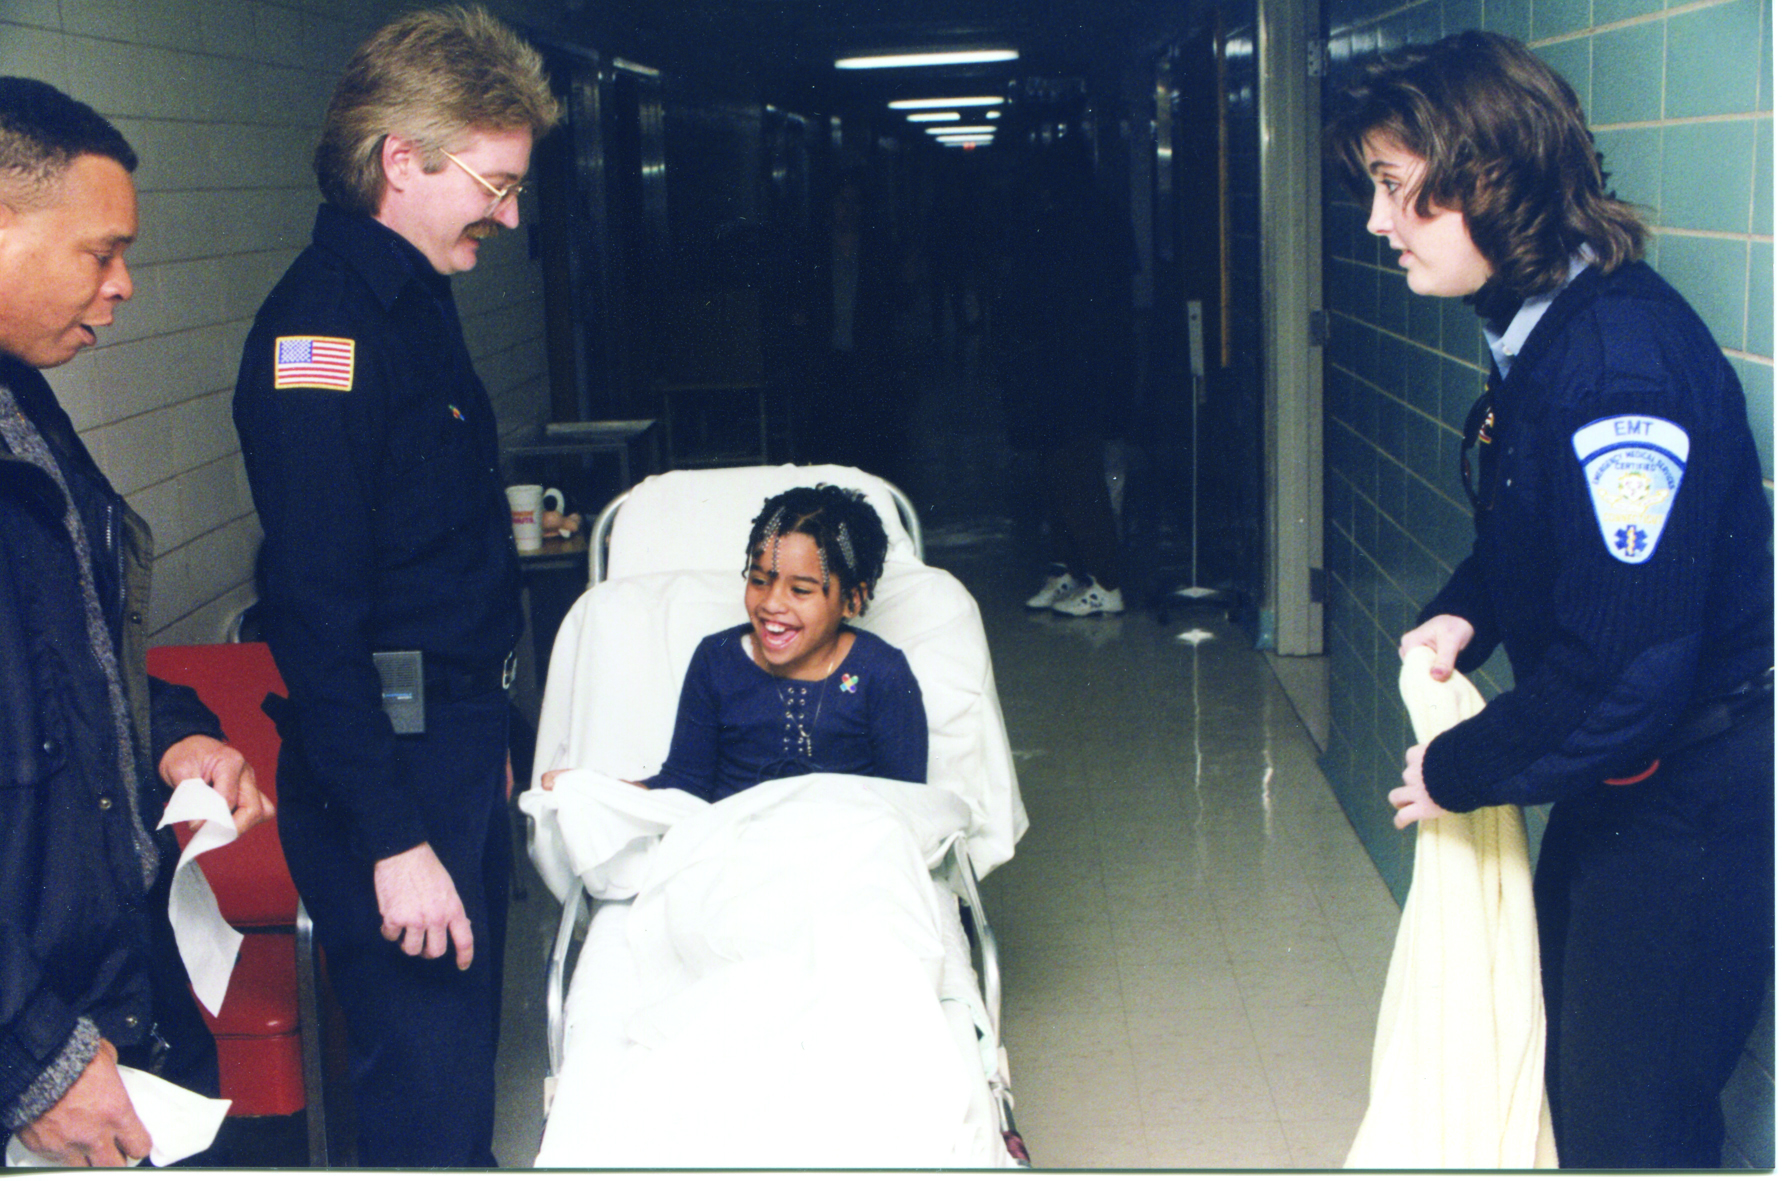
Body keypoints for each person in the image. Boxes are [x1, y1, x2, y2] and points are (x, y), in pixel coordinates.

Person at [1327, 31, 1773, 1169]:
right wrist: (1467, 609)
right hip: (1625, 784)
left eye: (1392, 188)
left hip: (1690, 800)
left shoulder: (1619, 370)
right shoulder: (1544, 323)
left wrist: (1457, 772)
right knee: (1575, 1089)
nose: (1378, 224)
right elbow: (1547, 543)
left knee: (1633, 1128)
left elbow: (1627, 674)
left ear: (1483, 176)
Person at [230, 6, 558, 1167]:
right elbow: (316, 612)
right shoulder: (322, 335)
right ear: (403, 159)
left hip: (449, 740)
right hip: (391, 774)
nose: (512, 214)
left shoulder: (419, 304)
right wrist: (394, 837)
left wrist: (489, 732)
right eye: (497, 181)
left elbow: (435, 561)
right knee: (422, 1108)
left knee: (455, 1080)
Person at [0, 77, 269, 1166]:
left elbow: (62, 652)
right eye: (99, 252)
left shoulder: (26, 401)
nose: (125, 287)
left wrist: (172, 730)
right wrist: (32, 1058)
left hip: (99, 993)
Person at [544, 485, 928, 800]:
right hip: (734, 857)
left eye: (800, 590)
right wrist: (598, 792)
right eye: (760, 581)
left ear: (852, 600)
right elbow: (683, 786)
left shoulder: (882, 673)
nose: (772, 604)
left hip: (849, 861)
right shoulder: (718, 661)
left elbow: (908, 806)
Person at [999, 147, 1133, 616]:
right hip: (1067, 369)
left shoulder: (1074, 230)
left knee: (1075, 475)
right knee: (1061, 474)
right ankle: (1073, 570)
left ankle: (1105, 580)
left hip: (1073, 371)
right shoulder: (1086, 223)